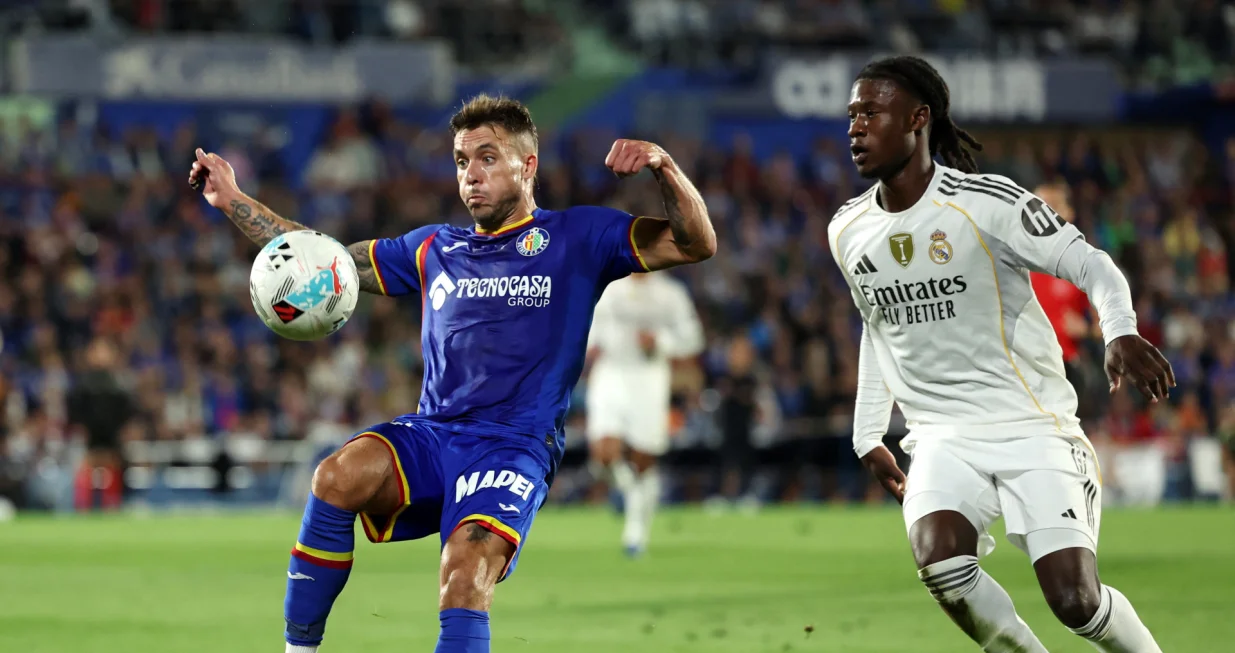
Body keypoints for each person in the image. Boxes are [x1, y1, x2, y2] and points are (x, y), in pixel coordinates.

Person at [188, 95, 716, 653]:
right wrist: (234, 200)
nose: (471, 175)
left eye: (488, 158)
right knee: (334, 478)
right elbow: (326, 261)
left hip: (513, 446)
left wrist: (662, 165)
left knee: (464, 571)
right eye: (463, 161)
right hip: (434, 434)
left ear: (527, 165)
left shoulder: (578, 238)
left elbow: (697, 243)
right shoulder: (434, 247)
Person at [828, 56, 1171, 652]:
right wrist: (867, 434)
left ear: (918, 119)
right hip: (941, 434)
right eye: (852, 114)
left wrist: (1118, 330)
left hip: (1032, 426)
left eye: (871, 113)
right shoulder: (847, 229)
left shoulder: (989, 204)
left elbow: (1093, 264)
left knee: (1074, 602)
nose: (856, 127)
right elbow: (877, 325)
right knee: (940, 564)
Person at [585, 270, 703, 556]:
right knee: (603, 453)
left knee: (642, 459)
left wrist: (661, 341)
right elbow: (589, 330)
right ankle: (625, 491)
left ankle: (636, 532)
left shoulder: (670, 293)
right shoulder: (609, 286)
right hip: (612, 372)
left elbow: (693, 338)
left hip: (650, 377)